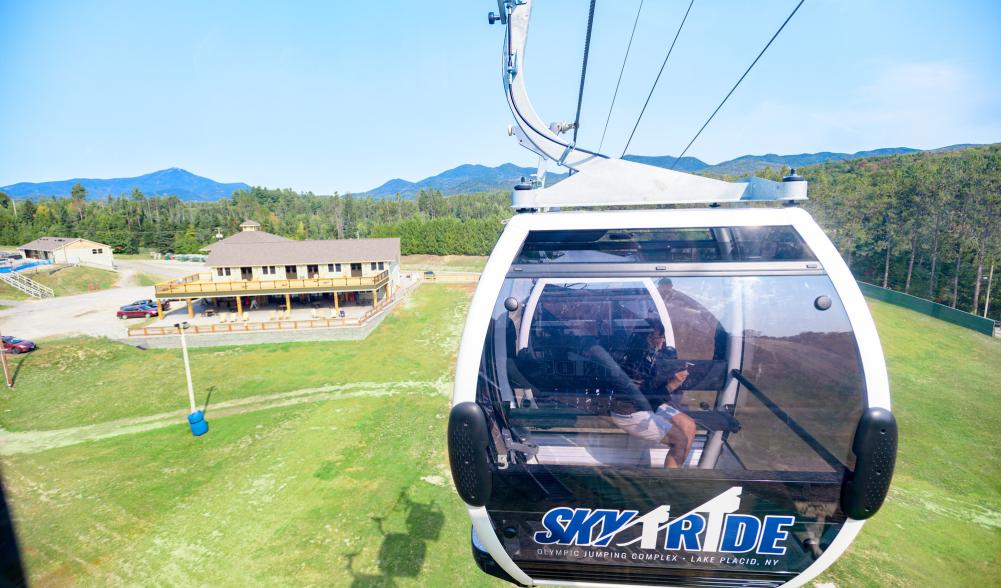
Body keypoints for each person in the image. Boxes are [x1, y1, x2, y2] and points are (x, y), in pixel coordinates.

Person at [611, 320, 696, 468]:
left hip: (645, 407)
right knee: (680, 440)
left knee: (689, 425)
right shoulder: (635, 362)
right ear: (649, 338)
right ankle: (669, 484)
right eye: (660, 337)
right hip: (629, 412)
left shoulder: (645, 356)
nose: (663, 341)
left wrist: (672, 376)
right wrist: (672, 384)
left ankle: (673, 472)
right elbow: (647, 398)